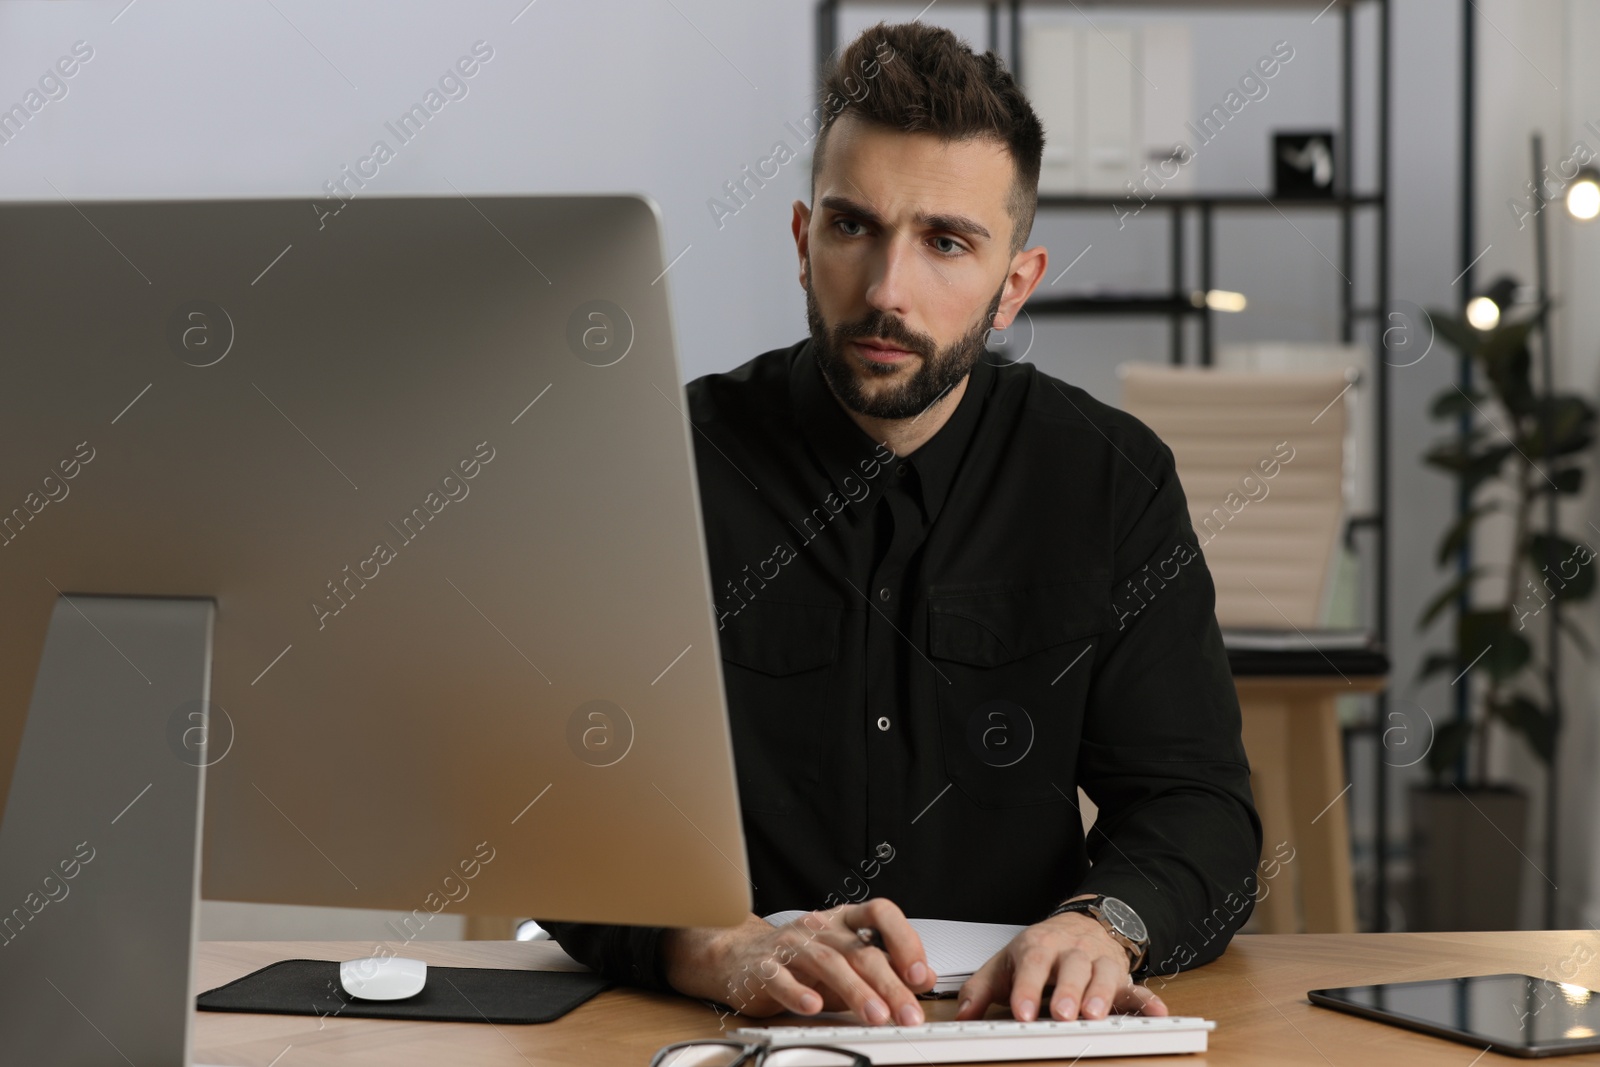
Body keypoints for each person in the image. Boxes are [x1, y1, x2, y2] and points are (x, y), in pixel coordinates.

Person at [536, 19, 1262, 1030]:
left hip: (1003, 1027)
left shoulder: (1111, 478)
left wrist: (1104, 924)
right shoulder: (662, 463)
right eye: (851, 228)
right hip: (710, 1019)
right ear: (802, 241)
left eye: (946, 243)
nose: (886, 291)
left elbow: (1200, 808)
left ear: (1015, 282)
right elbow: (559, 798)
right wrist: (707, 943)